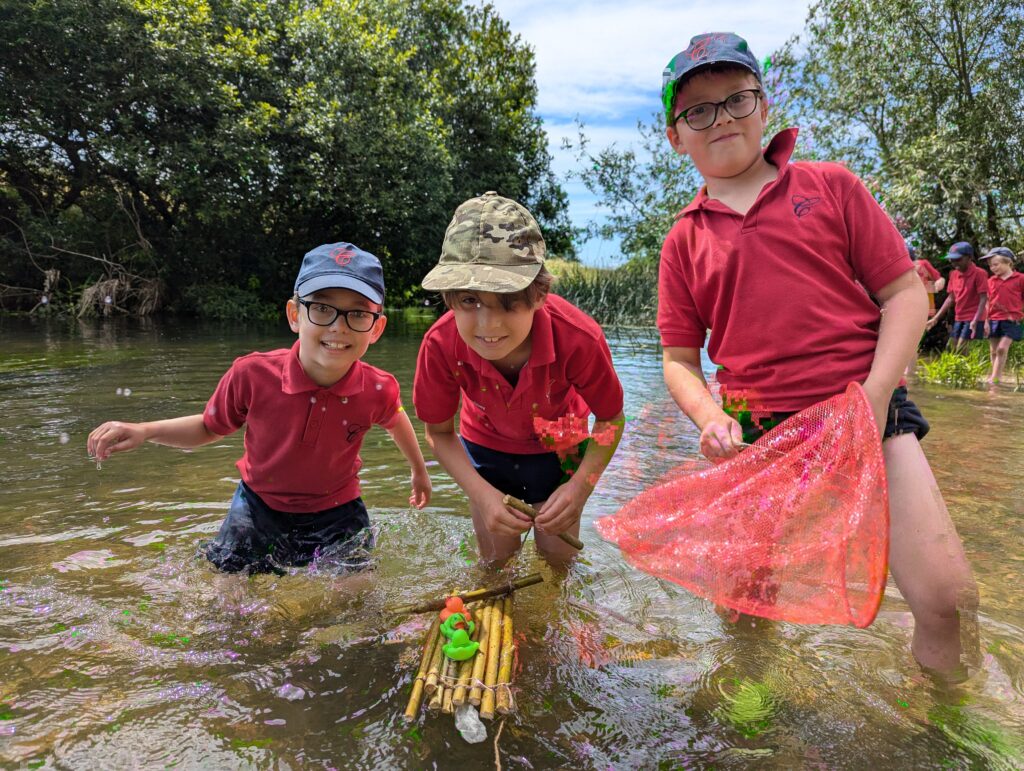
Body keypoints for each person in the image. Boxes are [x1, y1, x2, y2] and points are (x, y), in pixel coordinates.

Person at [657, 33, 976, 674]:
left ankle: (951, 728)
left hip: (869, 414)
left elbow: (904, 295)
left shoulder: (831, 186)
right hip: (760, 436)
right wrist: (710, 419)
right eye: (699, 110)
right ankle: (754, 710)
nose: (721, 118)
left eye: (737, 99)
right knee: (745, 605)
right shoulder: (682, 241)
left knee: (947, 599)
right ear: (676, 136)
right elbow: (680, 360)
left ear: (765, 105)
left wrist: (875, 395)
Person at [87, 243, 432, 573]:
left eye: (357, 313)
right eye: (322, 308)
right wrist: (145, 431)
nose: (338, 326)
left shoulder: (377, 386)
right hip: (257, 507)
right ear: (295, 315)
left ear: (377, 328)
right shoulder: (252, 374)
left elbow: (395, 418)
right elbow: (210, 427)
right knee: (227, 595)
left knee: (356, 597)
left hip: (338, 509)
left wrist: (419, 470)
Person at [413, 192, 625, 565]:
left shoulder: (578, 338)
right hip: (485, 450)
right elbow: (439, 432)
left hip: (561, 451)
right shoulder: (440, 345)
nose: (488, 326)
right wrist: (481, 495)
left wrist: (579, 488)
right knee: (495, 565)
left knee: (558, 564)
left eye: (509, 301)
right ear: (449, 299)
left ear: (539, 294)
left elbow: (611, 419)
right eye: (469, 301)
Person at [926, 241, 988, 354]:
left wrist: (976, 319)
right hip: (959, 317)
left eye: (958, 259)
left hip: (974, 317)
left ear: (969, 257)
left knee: (961, 348)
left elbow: (984, 298)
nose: (954, 263)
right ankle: (957, 371)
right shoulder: (954, 274)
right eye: (951, 260)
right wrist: (936, 318)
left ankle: (968, 371)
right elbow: (951, 298)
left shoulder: (980, 273)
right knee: (951, 347)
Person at [982, 247, 1024, 385]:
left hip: (1012, 320)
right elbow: (987, 302)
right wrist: (986, 321)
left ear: (1008, 262)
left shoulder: (1020, 279)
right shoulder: (991, 281)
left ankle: (995, 379)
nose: (992, 268)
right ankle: (995, 376)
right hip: (993, 319)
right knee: (994, 351)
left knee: (1001, 348)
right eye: (990, 266)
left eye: (996, 264)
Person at [906, 239, 945, 377]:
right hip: (906, 307)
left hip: (922, 307)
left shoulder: (921, 264)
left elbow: (939, 278)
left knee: (911, 340)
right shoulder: (898, 269)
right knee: (907, 339)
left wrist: (938, 283)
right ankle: (908, 372)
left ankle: (909, 373)